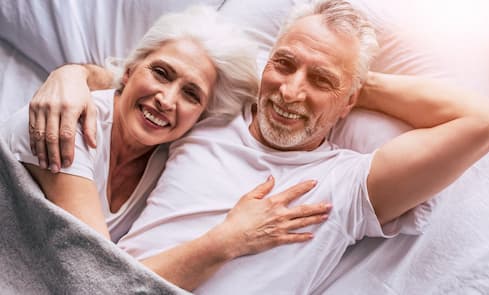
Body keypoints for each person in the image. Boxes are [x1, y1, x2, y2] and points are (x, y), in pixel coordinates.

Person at [28, 0, 489, 293]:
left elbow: (487, 118)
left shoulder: (346, 183)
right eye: (284, 64)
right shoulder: (211, 116)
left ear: (348, 102)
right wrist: (71, 74)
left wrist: (356, 83)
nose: (290, 91)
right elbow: (144, 83)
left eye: (319, 80)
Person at [0, 5, 333, 292]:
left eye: (191, 95)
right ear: (129, 71)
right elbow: (98, 277)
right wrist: (229, 240)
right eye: (160, 73)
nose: (167, 99)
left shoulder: (168, 155)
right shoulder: (68, 121)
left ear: (201, 116)